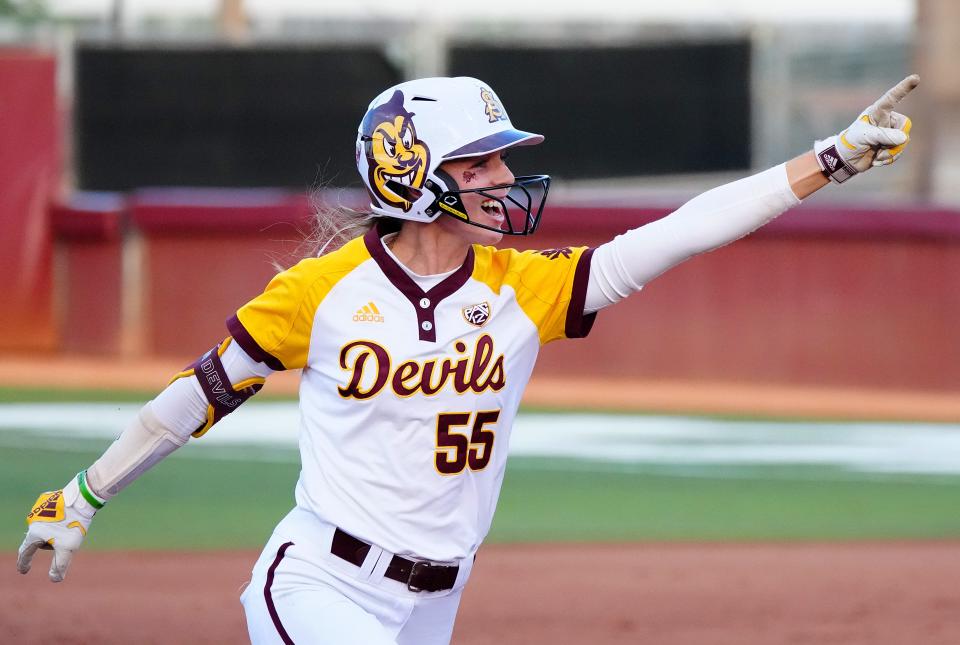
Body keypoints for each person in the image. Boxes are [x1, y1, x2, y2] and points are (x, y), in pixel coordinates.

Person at [17, 74, 918, 644]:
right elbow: (198, 395)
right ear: (413, 175)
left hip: (436, 602)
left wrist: (828, 160)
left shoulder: (524, 288)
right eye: (480, 164)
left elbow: (678, 234)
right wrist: (87, 495)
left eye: (499, 162)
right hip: (322, 582)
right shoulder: (318, 293)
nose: (502, 179)